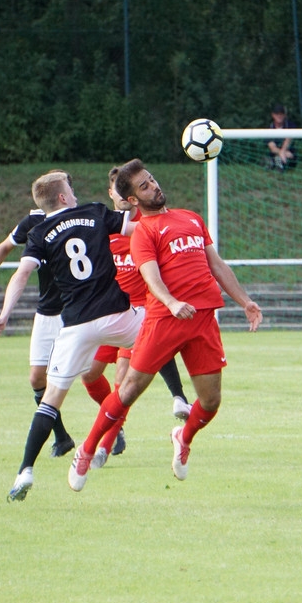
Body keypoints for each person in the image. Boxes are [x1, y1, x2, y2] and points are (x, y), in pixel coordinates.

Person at [68, 159, 264, 493]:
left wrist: (245, 300)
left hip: (202, 318)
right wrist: (172, 302)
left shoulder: (190, 217)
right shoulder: (143, 230)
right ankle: (86, 449)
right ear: (132, 200)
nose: (154, 186)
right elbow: (150, 275)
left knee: (211, 401)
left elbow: (216, 264)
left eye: (152, 180)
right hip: (163, 319)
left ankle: (182, 437)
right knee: (127, 390)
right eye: (144, 186)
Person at [0, 171, 144, 502]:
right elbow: (140, 228)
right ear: (62, 196)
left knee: (49, 402)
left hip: (75, 327)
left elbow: (22, 274)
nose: (73, 193)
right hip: (117, 315)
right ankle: (180, 399)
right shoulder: (94, 212)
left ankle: (24, 471)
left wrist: (3, 314)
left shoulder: (40, 231)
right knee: (162, 333)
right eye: (69, 189)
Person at [78, 165, 193, 468]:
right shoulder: (103, 226)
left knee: (122, 380)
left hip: (143, 311)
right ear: (114, 194)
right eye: (117, 187)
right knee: (89, 374)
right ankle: (114, 419)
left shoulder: (148, 223)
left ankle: (104, 444)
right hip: (110, 312)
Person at [0, 183, 76, 461]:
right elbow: (5, 248)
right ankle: (61, 437)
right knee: (37, 378)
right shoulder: (34, 222)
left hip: (80, 311)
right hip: (48, 312)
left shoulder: (84, 219)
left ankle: (114, 427)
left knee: (89, 375)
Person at [266, 104, 298, 171]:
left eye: (281, 114)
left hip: (289, 153)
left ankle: (278, 163)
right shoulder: (270, 128)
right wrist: (281, 153)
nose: (279, 116)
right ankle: (275, 163)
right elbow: (272, 147)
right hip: (277, 153)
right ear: (273, 115)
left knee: (290, 157)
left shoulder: (290, 125)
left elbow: (288, 140)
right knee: (275, 156)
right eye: (277, 114)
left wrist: (284, 152)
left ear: (284, 115)